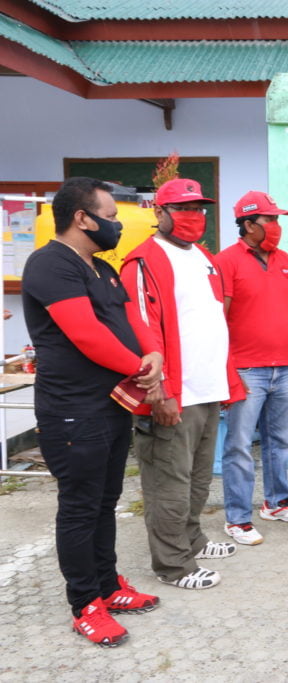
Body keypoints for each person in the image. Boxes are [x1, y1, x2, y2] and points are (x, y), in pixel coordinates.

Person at [22, 177, 163, 647]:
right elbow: (86, 334)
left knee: (105, 502)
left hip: (111, 404)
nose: (117, 225)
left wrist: (153, 354)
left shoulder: (102, 267)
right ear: (82, 217)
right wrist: (140, 369)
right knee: (81, 507)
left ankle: (107, 585)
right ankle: (84, 603)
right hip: (72, 411)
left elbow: (132, 319)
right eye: (111, 215)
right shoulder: (50, 264)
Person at [121, 178, 246, 589]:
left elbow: (212, 319)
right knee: (168, 484)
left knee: (197, 478)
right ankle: (173, 565)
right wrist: (160, 390)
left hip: (207, 389)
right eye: (183, 209)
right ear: (159, 212)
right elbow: (142, 329)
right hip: (175, 391)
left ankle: (192, 540)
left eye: (199, 208)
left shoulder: (203, 257)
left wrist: (225, 383)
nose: (194, 216)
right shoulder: (144, 261)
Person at [215, 191, 288, 546]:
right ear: (247, 224)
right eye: (269, 220)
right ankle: (237, 519)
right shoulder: (226, 261)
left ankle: (277, 503)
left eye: (276, 219)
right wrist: (225, 369)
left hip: (283, 367)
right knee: (239, 446)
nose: (275, 226)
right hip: (246, 370)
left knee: (280, 442)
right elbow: (219, 318)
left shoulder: (283, 259)